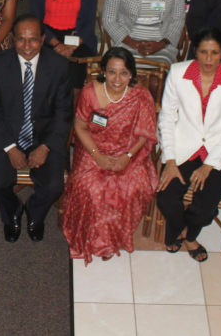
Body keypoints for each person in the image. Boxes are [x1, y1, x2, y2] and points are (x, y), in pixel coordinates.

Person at [62, 47, 158, 263]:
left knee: (134, 186)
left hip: (128, 150)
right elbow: (80, 126)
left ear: (131, 74)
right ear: (103, 71)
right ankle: (94, 238)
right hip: (92, 148)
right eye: (112, 72)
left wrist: (127, 157)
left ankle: (112, 238)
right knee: (91, 188)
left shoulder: (140, 96)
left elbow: (144, 134)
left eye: (124, 73)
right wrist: (97, 156)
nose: (117, 79)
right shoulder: (90, 93)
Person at [0, 14, 73, 242]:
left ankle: (34, 212)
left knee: (54, 186)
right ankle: (12, 211)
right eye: (21, 39)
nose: (27, 46)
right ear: (13, 40)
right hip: (7, 135)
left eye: (33, 39)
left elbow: (63, 113)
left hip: (44, 136)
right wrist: (10, 148)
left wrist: (46, 146)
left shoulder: (59, 66)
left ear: (42, 39)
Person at [157, 28, 221, 260]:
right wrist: (170, 161)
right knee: (165, 198)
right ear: (195, 51)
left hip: (218, 151)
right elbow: (167, 118)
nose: (208, 59)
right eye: (203, 52)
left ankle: (188, 236)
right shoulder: (178, 72)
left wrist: (209, 166)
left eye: (215, 53)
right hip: (183, 148)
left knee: (205, 210)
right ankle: (180, 230)